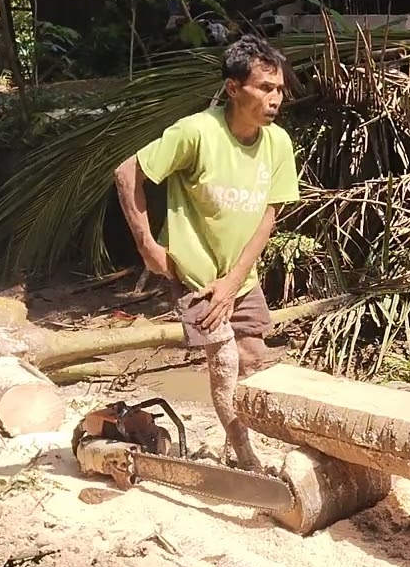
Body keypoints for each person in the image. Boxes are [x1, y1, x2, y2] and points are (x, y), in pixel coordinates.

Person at [113, 34, 300, 472]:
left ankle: (259, 440)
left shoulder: (278, 144)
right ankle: (247, 459)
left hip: (242, 274)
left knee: (254, 356)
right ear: (234, 88)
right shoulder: (196, 132)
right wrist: (147, 246)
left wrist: (235, 281)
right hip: (196, 273)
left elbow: (268, 216)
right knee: (226, 360)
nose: (276, 98)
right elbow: (126, 174)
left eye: (279, 89)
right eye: (265, 88)